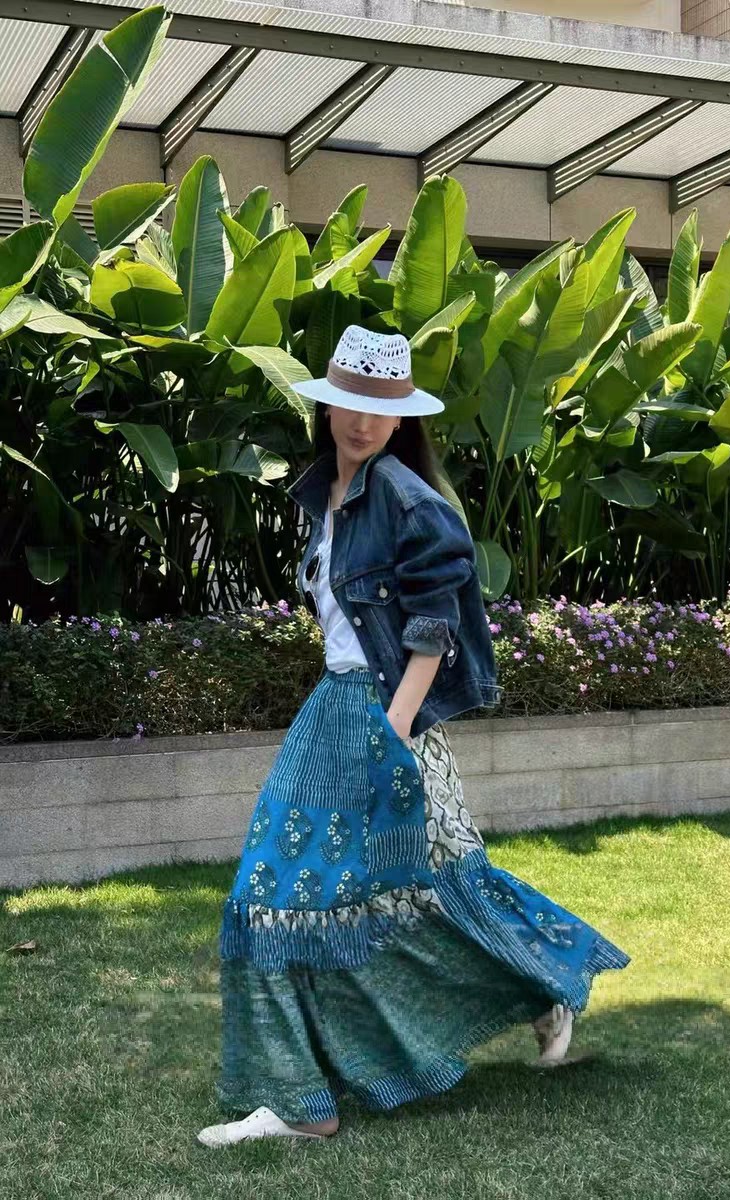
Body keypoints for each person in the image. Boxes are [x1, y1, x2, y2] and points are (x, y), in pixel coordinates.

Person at [197, 325, 630, 1147]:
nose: (363, 422)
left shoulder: (408, 500)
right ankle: (312, 1094)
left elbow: (436, 624)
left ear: (402, 421)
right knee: (290, 896)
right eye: (349, 405)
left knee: (414, 888)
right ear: (327, 409)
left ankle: (310, 1104)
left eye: (380, 411)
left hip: (384, 717)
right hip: (330, 710)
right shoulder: (322, 493)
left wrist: (393, 728)